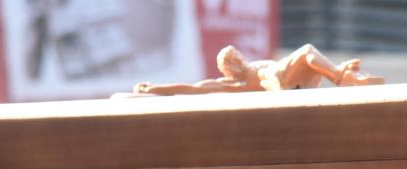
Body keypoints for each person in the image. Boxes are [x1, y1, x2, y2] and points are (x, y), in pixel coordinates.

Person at [129, 43, 383, 95]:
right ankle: (342, 76)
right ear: (227, 70)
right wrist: (154, 88)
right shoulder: (234, 84)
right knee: (306, 51)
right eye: (231, 62)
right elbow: (192, 88)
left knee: (310, 59)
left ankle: (343, 75)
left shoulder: (251, 67)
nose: (237, 61)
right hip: (280, 85)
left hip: (295, 83)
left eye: (237, 56)